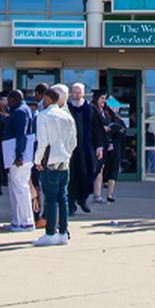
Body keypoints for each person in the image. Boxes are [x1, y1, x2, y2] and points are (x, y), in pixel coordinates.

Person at [32, 85, 78, 246]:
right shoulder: (67, 117)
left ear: (47, 99)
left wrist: (37, 161)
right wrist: (67, 155)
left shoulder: (43, 116)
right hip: (65, 162)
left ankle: (50, 233)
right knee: (63, 198)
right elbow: (73, 142)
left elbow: (42, 142)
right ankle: (63, 232)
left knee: (50, 199)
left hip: (50, 162)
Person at [0, 88, 35, 230]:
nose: (8, 103)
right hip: (17, 154)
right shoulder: (22, 110)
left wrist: (19, 155)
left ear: (14, 100)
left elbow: (21, 134)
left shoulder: (20, 112)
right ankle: (17, 220)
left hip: (18, 156)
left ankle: (25, 221)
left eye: (9, 100)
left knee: (20, 187)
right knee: (16, 187)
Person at [65, 83, 103, 216]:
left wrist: (99, 146)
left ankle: (83, 199)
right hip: (70, 149)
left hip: (86, 148)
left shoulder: (90, 109)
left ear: (83, 93)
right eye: (74, 92)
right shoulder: (66, 108)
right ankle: (70, 203)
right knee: (71, 176)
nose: (76, 95)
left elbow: (98, 129)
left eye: (78, 92)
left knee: (86, 173)